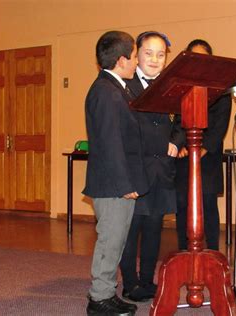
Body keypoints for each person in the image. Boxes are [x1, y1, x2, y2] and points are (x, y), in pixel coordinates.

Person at [83, 30, 148, 316]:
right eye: (134, 56)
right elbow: (110, 144)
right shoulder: (106, 93)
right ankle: (99, 300)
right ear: (122, 60)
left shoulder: (115, 88)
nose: (137, 62)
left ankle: (107, 292)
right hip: (112, 186)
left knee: (117, 239)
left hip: (116, 182)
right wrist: (124, 183)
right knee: (110, 240)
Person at [119, 31, 184, 302]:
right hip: (137, 169)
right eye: (148, 53)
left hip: (162, 171)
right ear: (137, 54)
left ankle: (147, 280)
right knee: (131, 230)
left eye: (161, 54)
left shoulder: (172, 86)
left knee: (155, 229)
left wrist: (175, 140)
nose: (155, 60)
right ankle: (130, 283)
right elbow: (124, 128)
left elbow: (182, 121)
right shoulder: (125, 85)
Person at [175, 39, 232, 251]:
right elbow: (175, 120)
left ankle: (213, 253)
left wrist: (200, 151)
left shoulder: (220, 89)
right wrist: (180, 146)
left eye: (203, 58)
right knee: (182, 205)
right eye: (194, 57)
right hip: (182, 156)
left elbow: (219, 126)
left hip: (207, 158)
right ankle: (184, 251)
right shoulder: (179, 85)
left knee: (208, 205)